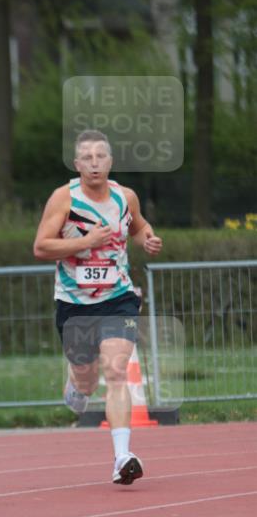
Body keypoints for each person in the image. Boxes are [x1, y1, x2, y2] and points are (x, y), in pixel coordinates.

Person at [33, 129, 162, 484]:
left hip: (118, 298)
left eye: (100, 156)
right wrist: (87, 241)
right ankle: (75, 385)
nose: (94, 163)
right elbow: (41, 247)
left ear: (110, 161)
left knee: (117, 370)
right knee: (86, 384)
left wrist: (147, 239)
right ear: (77, 164)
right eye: (87, 158)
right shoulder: (64, 199)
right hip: (75, 304)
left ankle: (122, 458)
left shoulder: (126, 197)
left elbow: (139, 227)